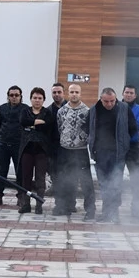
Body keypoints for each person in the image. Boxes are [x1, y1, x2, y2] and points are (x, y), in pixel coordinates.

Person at [87, 87, 138, 224]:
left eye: (112, 101)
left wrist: (123, 140)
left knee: (115, 184)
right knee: (104, 185)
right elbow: (88, 129)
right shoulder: (93, 110)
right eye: (106, 101)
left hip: (117, 154)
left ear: (116, 99)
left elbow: (133, 128)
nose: (109, 104)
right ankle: (105, 212)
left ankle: (114, 214)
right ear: (101, 99)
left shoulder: (123, 108)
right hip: (100, 154)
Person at [53, 84, 95, 221]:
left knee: (86, 182)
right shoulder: (61, 111)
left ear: (80, 93)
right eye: (72, 92)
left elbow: (90, 130)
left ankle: (90, 210)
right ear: (68, 93)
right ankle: (64, 206)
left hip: (80, 151)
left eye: (77, 92)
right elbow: (60, 128)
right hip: (65, 151)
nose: (74, 94)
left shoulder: (87, 111)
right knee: (64, 180)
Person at [18, 87, 55, 214]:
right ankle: (25, 204)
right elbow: (23, 122)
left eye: (40, 98)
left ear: (44, 100)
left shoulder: (47, 113)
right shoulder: (25, 111)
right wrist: (36, 122)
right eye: (35, 98)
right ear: (31, 99)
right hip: (27, 150)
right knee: (26, 178)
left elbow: (47, 126)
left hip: (42, 151)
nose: (37, 100)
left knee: (40, 179)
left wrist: (31, 125)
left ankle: (39, 204)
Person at [0, 86, 27, 207]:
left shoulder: (25, 109)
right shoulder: (2, 108)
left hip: (18, 145)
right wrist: (4, 133)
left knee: (19, 172)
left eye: (17, 95)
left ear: (21, 96)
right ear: (8, 96)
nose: (14, 97)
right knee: (2, 171)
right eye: (12, 95)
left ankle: (21, 196)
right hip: (4, 144)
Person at [122, 85, 139, 218]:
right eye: (126, 92)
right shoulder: (116, 106)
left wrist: (124, 119)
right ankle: (112, 209)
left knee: (136, 180)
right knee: (113, 178)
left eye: (131, 93)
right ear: (123, 93)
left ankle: (136, 209)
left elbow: (138, 124)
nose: (129, 95)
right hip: (119, 147)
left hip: (133, 147)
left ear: (135, 95)